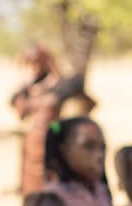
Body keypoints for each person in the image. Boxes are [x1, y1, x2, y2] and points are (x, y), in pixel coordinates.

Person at [11, 44, 88, 193]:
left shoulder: (59, 84)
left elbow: (76, 85)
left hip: (53, 133)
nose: (34, 66)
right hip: (32, 143)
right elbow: (17, 107)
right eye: (30, 63)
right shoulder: (29, 86)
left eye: (37, 61)